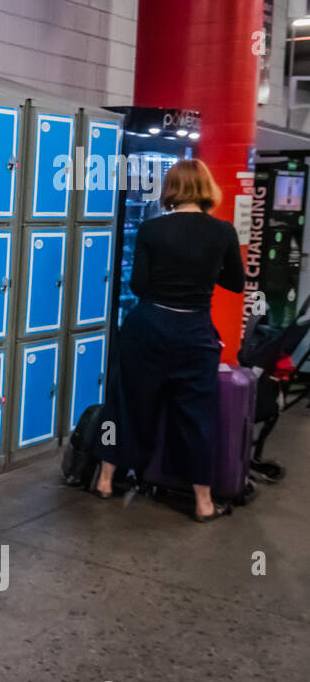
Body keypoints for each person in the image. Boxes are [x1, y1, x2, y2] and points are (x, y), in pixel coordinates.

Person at [93, 159, 243, 522]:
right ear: (206, 189)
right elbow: (236, 283)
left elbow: (138, 286)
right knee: (197, 417)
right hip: (194, 333)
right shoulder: (223, 232)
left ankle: (106, 478)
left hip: (147, 327)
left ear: (170, 189)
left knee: (124, 405)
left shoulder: (151, 229)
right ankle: (204, 502)